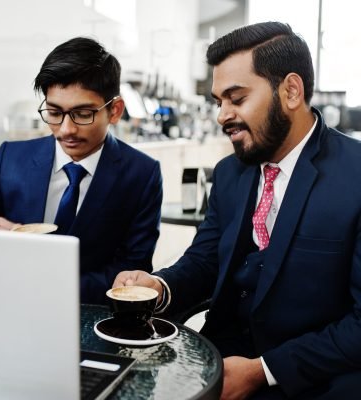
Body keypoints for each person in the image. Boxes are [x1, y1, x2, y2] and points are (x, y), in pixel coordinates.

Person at [113, 21, 361, 399]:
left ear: (291, 91)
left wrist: (264, 372)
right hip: (217, 362)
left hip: (313, 378)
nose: (221, 115)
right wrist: (158, 288)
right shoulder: (231, 172)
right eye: (218, 101)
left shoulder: (355, 175)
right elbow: (205, 261)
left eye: (237, 98)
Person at [0, 37, 163, 305]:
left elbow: (131, 270)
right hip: (4, 302)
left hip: (90, 315)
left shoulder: (142, 174)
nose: (66, 129)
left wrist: (45, 287)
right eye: (54, 112)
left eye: (82, 114)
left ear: (114, 111)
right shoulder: (10, 158)